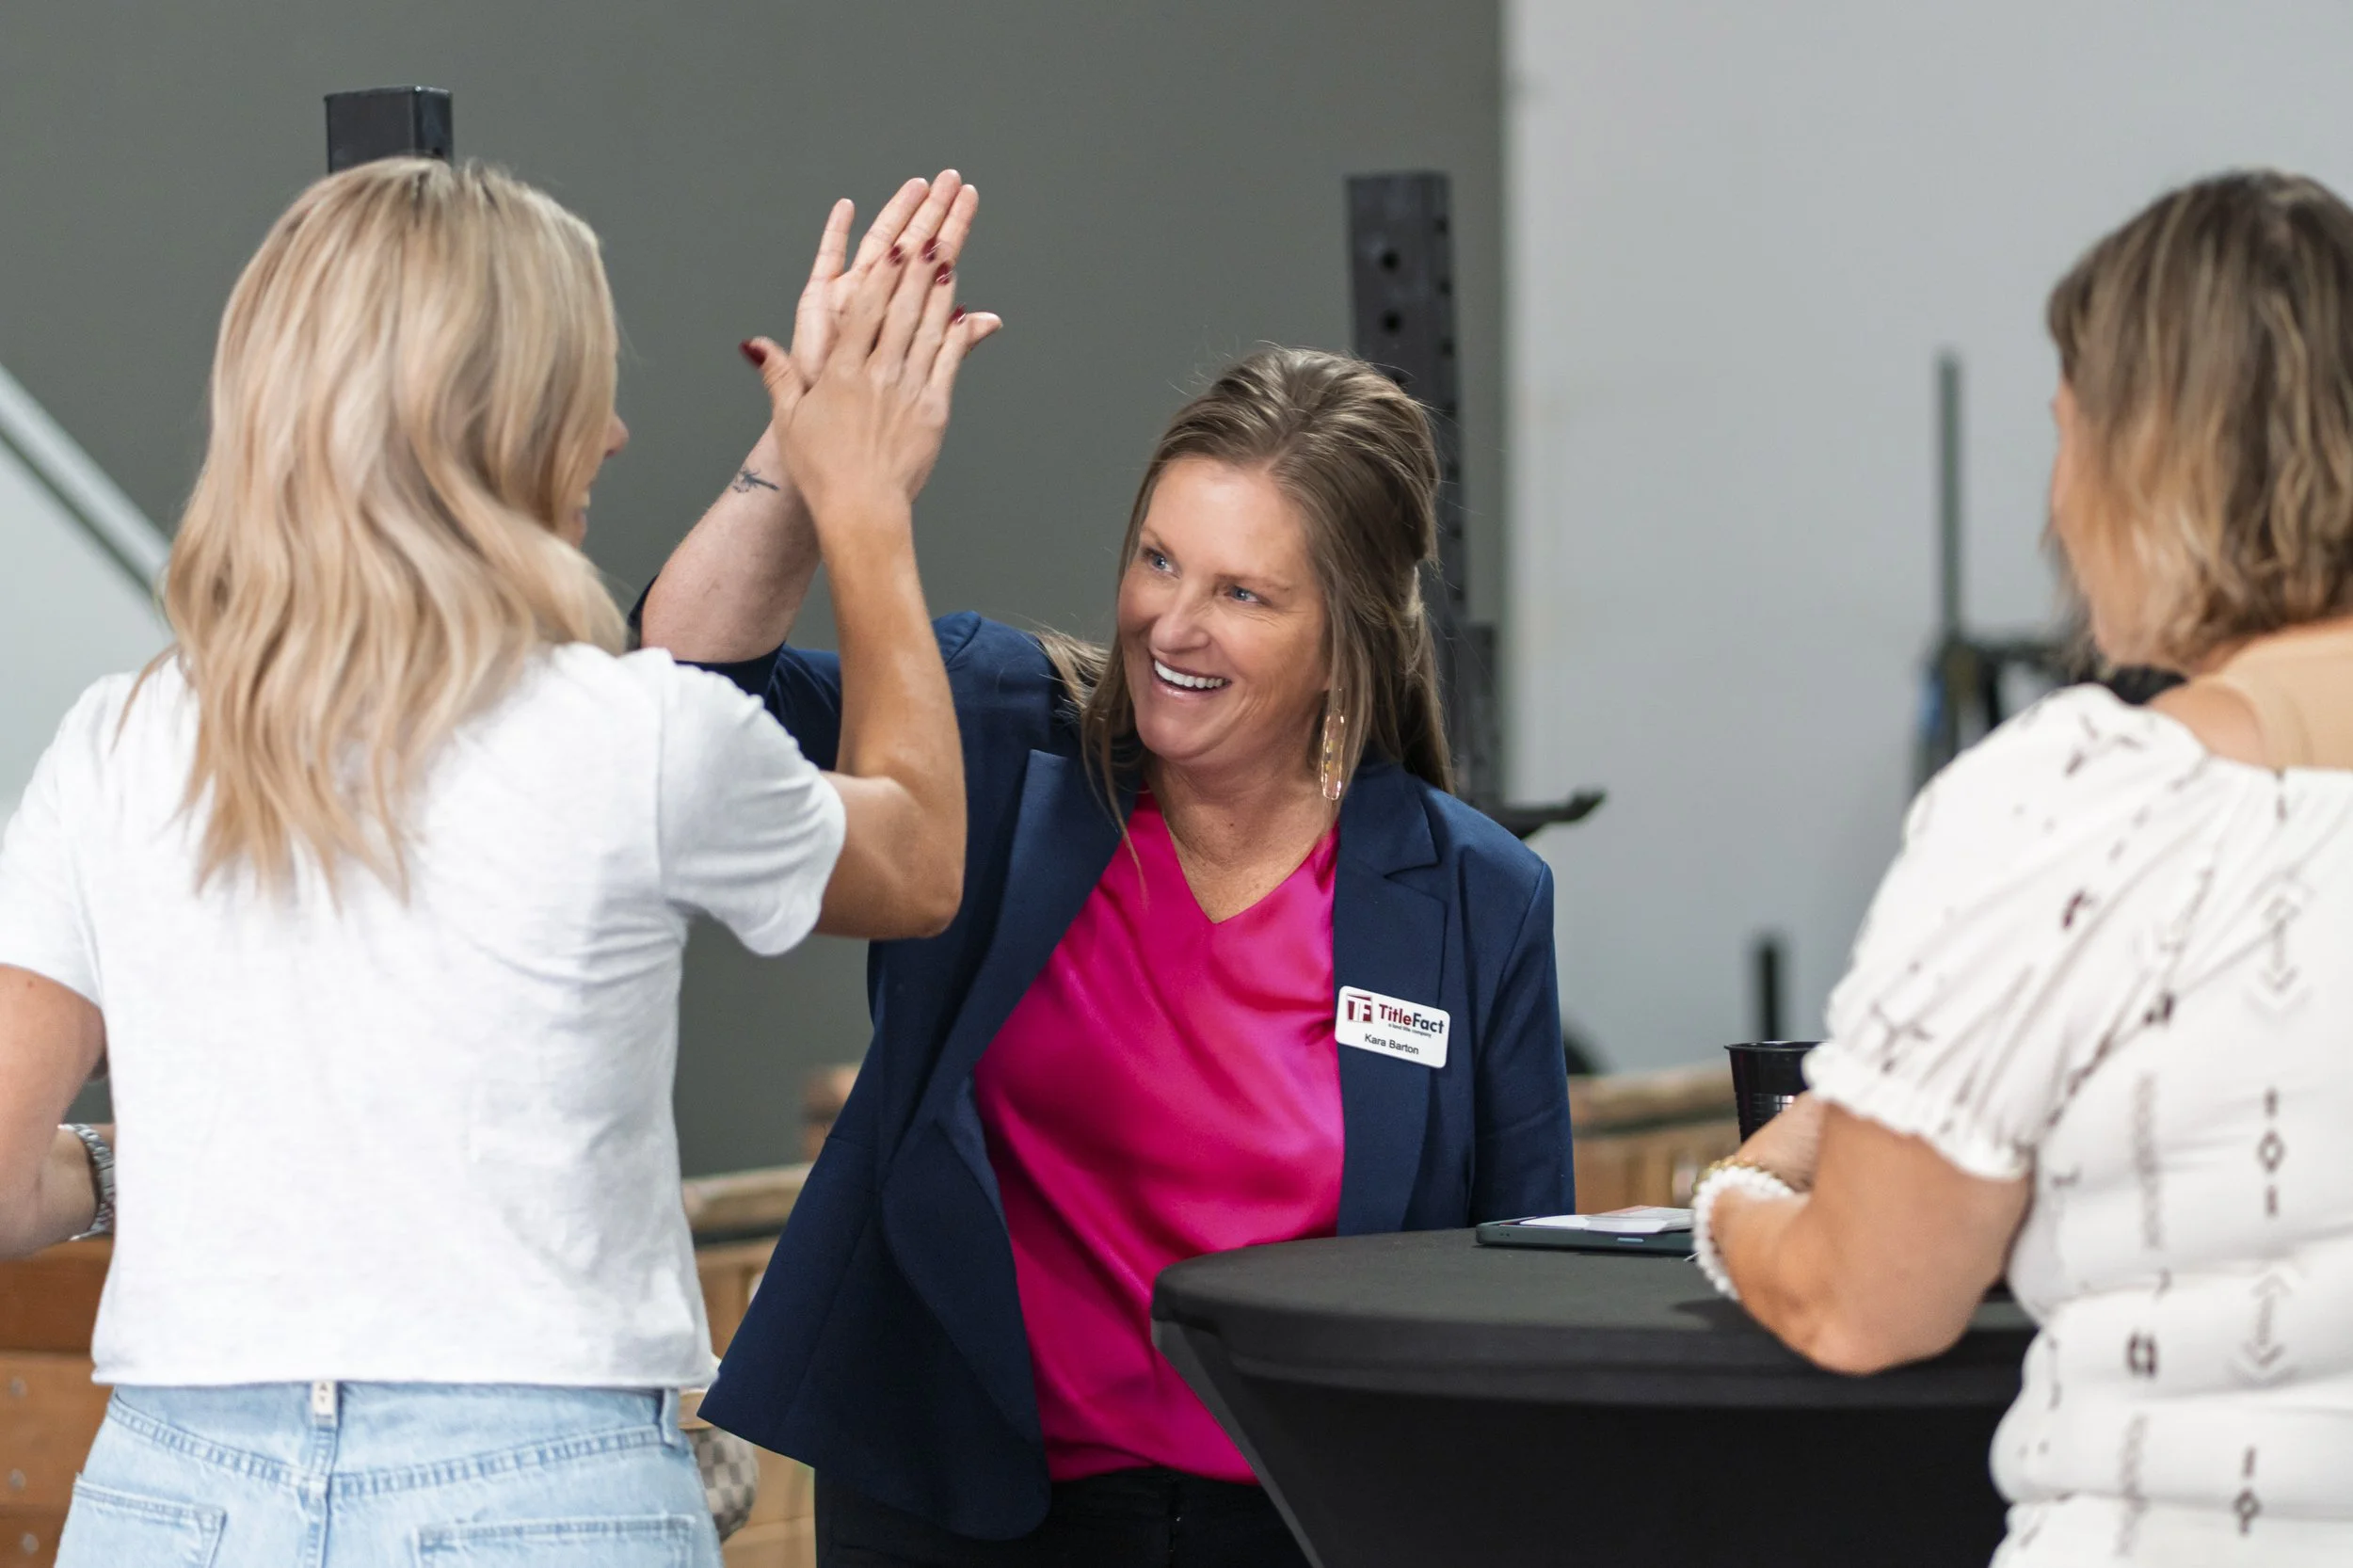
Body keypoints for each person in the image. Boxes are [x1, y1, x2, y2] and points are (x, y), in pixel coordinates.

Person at [0, 156, 989, 1563]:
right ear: (504, 424)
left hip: (175, 1498)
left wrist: (127, 1166)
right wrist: (866, 503)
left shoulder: (117, 740)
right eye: (586, 393)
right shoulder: (632, 736)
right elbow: (919, 858)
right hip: (532, 1493)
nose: (616, 435)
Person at [640, 344, 1576, 1564]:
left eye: (1244, 594)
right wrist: (810, 443)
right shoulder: (993, 734)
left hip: (1304, 1522)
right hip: (964, 1508)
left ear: (1343, 640)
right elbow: (684, 689)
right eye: (1158, 559)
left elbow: (1523, 1292)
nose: (1171, 624)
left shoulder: (1470, 895)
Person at [1696, 170, 2353, 1563]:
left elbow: (1859, 1300)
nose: (2055, 504)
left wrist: (1738, 1197)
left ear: (2145, 463)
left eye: (2066, 438)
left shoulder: (2075, 803)